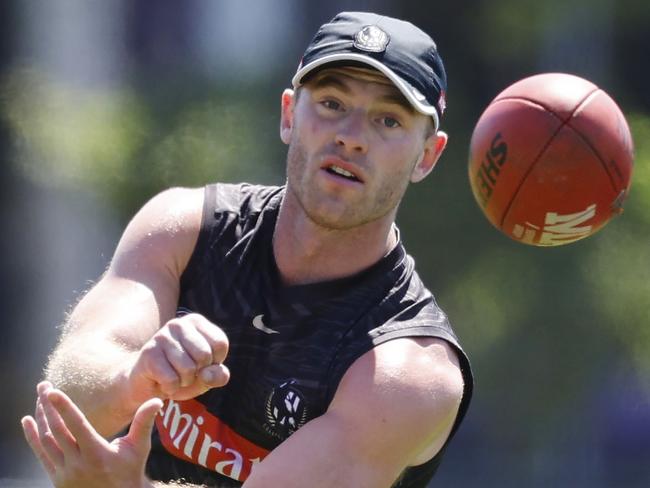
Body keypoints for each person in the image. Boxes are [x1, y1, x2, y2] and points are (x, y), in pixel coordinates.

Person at [21, 11, 473, 488]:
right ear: (288, 115)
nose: (350, 136)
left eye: (387, 119)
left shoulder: (411, 371)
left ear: (426, 155)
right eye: (331, 102)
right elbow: (65, 395)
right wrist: (135, 377)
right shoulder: (183, 229)